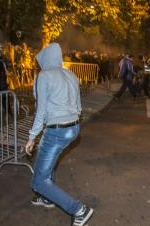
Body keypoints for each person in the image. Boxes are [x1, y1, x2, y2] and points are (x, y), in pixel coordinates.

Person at [24, 43, 93, 226]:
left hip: (56, 130)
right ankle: (48, 199)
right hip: (74, 128)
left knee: (38, 181)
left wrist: (32, 136)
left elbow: (41, 110)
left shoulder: (44, 76)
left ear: (44, 58)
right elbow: (78, 107)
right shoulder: (71, 74)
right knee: (49, 158)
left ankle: (78, 209)